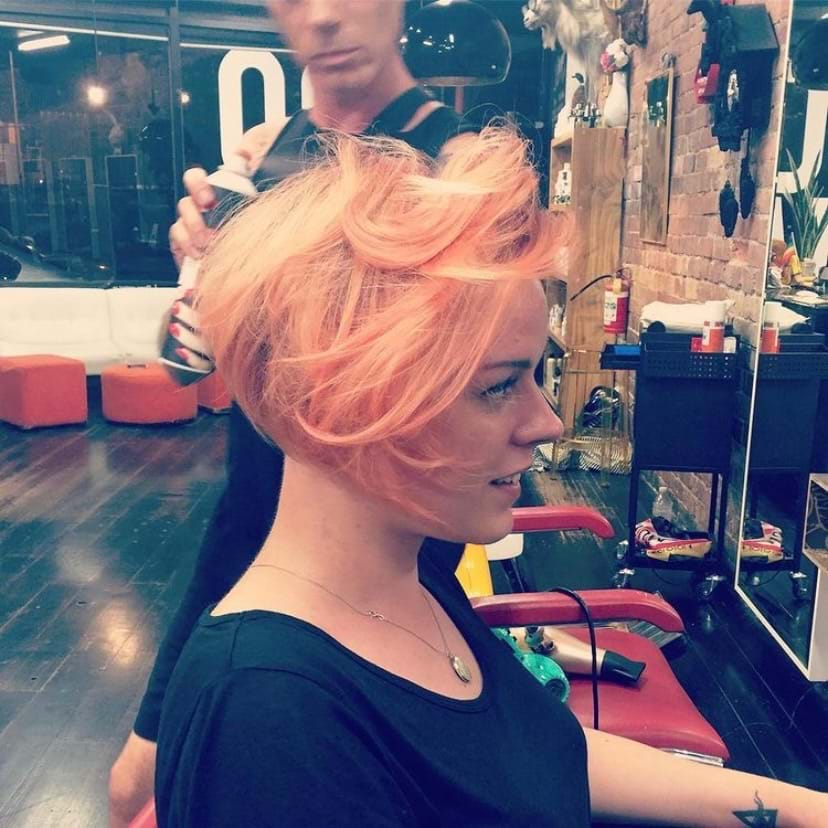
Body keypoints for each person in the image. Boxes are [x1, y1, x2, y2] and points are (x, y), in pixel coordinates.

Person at [155, 127, 827, 826]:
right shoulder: (269, 720)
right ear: (340, 401)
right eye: (499, 386)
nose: (549, 424)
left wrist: (806, 810)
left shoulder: (412, 582)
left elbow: (535, 751)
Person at [108, 2, 476, 825]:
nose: (327, 16)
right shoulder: (262, 151)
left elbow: (464, 371)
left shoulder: (454, 162)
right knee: (133, 787)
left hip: (382, 548)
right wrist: (207, 267)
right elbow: (192, 360)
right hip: (254, 520)